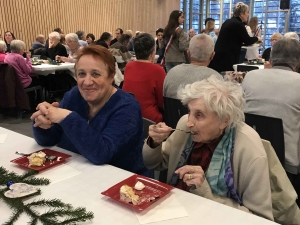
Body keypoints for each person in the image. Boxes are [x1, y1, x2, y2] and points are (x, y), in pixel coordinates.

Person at [143, 76, 273, 221]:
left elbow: (260, 219)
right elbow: (154, 164)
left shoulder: (248, 149)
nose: (189, 122)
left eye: (199, 115)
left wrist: (205, 193)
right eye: (189, 112)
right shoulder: (185, 126)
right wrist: (154, 143)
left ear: (224, 120)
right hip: (174, 212)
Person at [30, 45, 151, 176]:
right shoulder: (74, 95)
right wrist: (43, 123)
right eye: (82, 74)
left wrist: (68, 117)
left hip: (122, 183)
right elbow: (49, 140)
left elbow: (102, 154)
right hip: (77, 174)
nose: (87, 82)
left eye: (95, 74)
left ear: (111, 76)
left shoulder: (127, 107)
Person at [243, 38, 300, 208]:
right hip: (288, 166)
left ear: (271, 58)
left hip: (250, 155)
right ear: (298, 61)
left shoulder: (250, 77)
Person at [122, 33, 165, 123]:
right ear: (153, 53)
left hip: (127, 116)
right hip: (150, 121)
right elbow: (162, 103)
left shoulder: (129, 66)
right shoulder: (158, 70)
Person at [164, 34, 222, 100]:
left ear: (188, 53)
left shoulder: (171, 73)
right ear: (212, 55)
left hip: (174, 110)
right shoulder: (216, 79)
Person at [209, 2, 261, 72]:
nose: (248, 15)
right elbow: (247, 40)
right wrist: (257, 38)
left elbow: (237, 40)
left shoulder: (228, 21)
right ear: (241, 14)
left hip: (219, 56)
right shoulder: (238, 24)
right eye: (247, 12)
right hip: (226, 58)